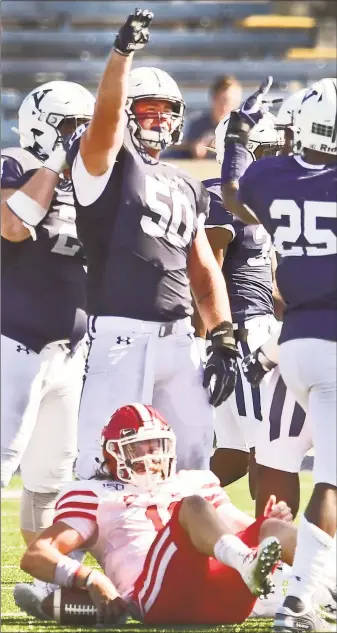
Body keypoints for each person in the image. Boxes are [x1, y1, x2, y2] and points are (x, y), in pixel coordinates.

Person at [65, 8, 239, 479]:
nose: (159, 119)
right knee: (103, 466)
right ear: (127, 114)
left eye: (167, 111)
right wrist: (122, 56)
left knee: (192, 464)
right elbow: (103, 124)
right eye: (147, 109)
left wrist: (222, 334)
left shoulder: (186, 182)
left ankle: (185, 555)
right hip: (120, 337)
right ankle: (67, 555)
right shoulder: (107, 163)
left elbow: (202, 268)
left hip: (180, 339)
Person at [14, 403, 311, 626]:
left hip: (225, 599)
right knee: (192, 506)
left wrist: (266, 525)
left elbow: (237, 525)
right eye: (139, 447)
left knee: (272, 527)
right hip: (157, 597)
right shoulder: (96, 494)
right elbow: (37, 554)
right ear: (112, 452)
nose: (152, 455)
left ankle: (324, 583)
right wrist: (91, 578)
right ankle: (247, 564)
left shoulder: (195, 479)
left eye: (157, 445)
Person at [221, 76, 337, 632]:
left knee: (285, 463)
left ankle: (301, 586)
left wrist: (239, 138)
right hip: (333, 343)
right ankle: (300, 600)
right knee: (331, 483)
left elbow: (233, 192)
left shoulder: (273, 175)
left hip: (294, 344)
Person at [1, 81, 94, 551]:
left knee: (51, 474)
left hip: (70, 350)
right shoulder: (14, 162)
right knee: (2, 455)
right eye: (71, 126)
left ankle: (47, 576)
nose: (79, 136)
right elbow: (12, 226)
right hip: (15, 340)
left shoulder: (86, 182)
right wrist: (54, 162)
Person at [193, 112, 283, 495]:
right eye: (267, 152)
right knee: (268, 450)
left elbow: (268, 284)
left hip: (261, 328)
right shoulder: (219, 198)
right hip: (241, 333)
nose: (277, 161)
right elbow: (203, 269)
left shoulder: (262, 203)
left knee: (232, 454)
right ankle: (268, 545)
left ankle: (167, 513)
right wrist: (208, 337)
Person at [182, 75, 242, 159]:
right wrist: (195, 152)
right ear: (213, 99)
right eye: (223, 101)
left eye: (234, 102)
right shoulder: (198, 127)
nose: (227, 106)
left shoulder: (245, 128)